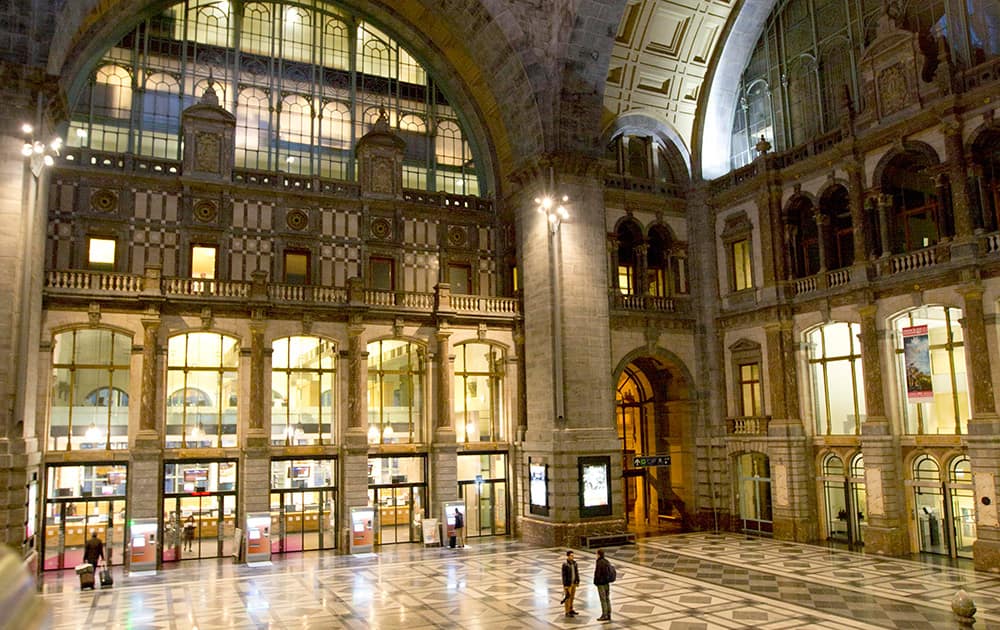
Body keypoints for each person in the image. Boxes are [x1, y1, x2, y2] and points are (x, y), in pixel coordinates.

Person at [593, 549, 614, 621]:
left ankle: (604, 615)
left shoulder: (599, 562)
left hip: (601, 583)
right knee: (607, 598)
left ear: (598, 554)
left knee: (603, 599)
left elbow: (598, 574)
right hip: (606, 583)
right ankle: (609, 614)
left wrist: (595, 582)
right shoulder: (606, 561)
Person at [561, 550, 580, 617]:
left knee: (572, 597)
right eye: (571, 555)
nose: (573, 557)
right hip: (568, 584)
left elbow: (576, 572)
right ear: (568, 556)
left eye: (573, 555)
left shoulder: (575, 563)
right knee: (567, 598)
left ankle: (571, 609)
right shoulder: (565, 564)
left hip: (573, 583)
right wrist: (565, 585)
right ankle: (567, 611)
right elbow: (564, 575)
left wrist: (578, 580)